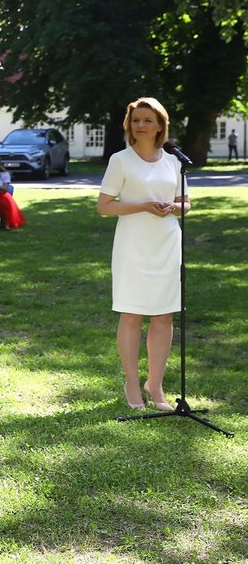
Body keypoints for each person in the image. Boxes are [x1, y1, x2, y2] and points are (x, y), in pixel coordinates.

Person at [97, 97, 190, 412]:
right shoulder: (120, 160)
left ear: (160, 125)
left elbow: (185, 202)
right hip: (133, 245)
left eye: (147, 120)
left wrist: (172, 207)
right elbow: (104, 206)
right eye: (136, 120)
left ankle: (156, 384)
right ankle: (132, 383)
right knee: (132, 313)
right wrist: (144, 205)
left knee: (164, 316)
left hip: (166, 243)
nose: (140, 125)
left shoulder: (174, 160)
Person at [0, 155, 25, 229]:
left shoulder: (4, 174)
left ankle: (4, 224)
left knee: (2, 203)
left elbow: (5, 188)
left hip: (2, 194)